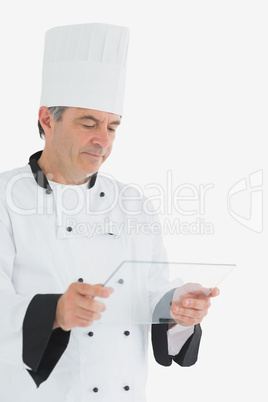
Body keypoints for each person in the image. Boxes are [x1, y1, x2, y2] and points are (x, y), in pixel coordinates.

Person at [0, 23, 218, 402]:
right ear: (48, 120)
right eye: (88, 123)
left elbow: (151, 292)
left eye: (112, 127)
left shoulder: (132, 204)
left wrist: (178, 309)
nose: (103, 141)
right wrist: (55, 313)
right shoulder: (5, 198)